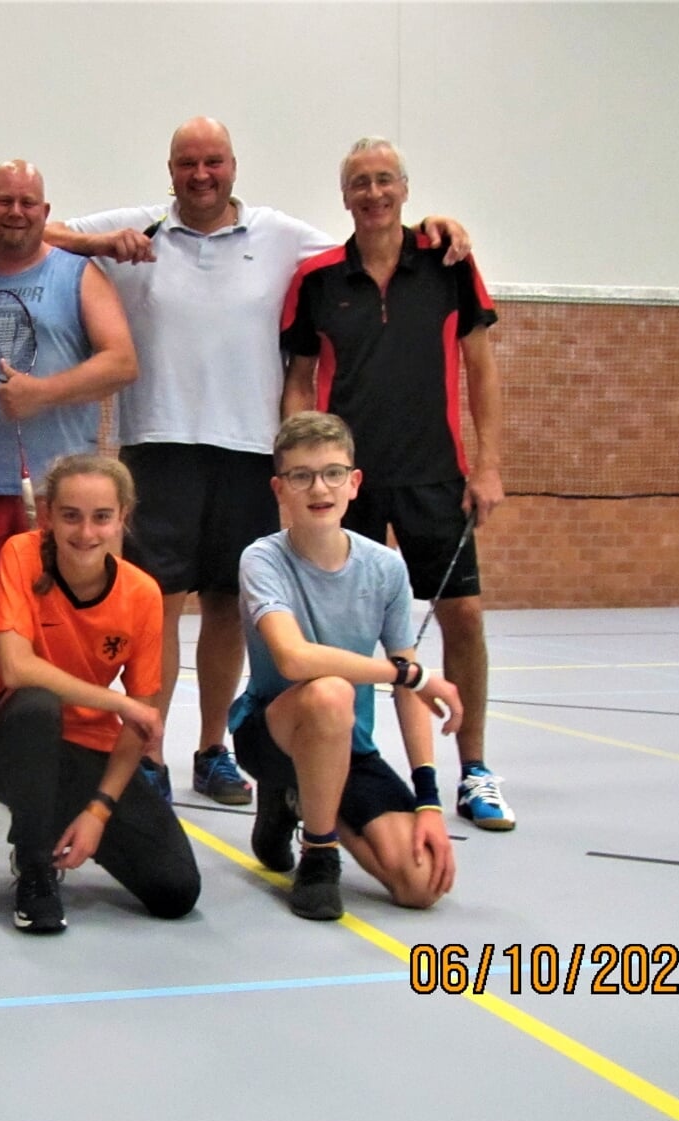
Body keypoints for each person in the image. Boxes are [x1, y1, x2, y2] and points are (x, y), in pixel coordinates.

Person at [43, 118, 470, 810]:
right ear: (171, 169)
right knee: (156, 608)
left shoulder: (280, 236)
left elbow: (369, 238)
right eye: (187, 163)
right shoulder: (138, 229)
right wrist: (101, 244)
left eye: (213, 161)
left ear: (233, 166)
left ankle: (211, 747)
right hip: (158, 443)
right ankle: (145, 747)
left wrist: (437, 226)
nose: (201, 174)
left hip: (247, 450)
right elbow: (40, 233)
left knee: (223, 608)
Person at [279, 137, 512, 831]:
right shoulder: (317, 280)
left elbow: (481, 368)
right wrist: (300, 473)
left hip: (434, 478)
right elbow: (297, 381)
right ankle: (339, 762)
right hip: (345, 485)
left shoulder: (448, 264)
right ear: (344, 197)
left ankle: (471, 769)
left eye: (384, 180)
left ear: (404, 190)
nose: (372, 193)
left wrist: (487, 464)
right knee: (338, 629)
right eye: (359, 183)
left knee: (461, 617)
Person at [0, 159, 137, 823]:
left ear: (45, 211)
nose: (15, 212)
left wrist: (43, 394)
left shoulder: (77, 274)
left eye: (27, 202)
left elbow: (121, 361)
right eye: (3, 202)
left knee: (65, 624)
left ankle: (77, 748)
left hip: (64, 494)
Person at [230, 412, 462, 920]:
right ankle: (319, 855)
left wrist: (428, 800)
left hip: (346, 744)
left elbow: (407, 689)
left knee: (420, 884)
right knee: (329, 691)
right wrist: (411, 674)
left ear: (354, 483)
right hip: (272, 731)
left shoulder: (385, 567)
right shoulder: (262, 559)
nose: (319, 487)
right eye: (301, 475)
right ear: (280, 488)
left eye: (333, 472)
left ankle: (293, 800)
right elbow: (293, 659)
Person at [0, 454, 200, 934]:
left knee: (176, 889)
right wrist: (119, 702)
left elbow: (139, 725)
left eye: (102, 517)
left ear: (123, 518)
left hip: (87, 748)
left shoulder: (142, 594)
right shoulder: (21, 554)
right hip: (10, 741)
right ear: (48, 515)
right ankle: (34, 870)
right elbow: (15, 665)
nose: (86, 532)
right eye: (71, 515)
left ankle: (54, 819)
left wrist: (98, 811)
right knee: (36, 704)